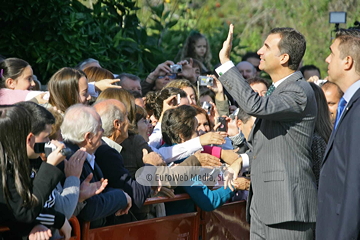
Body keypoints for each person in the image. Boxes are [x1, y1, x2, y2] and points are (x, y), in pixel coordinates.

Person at [217, 25, 317, 239]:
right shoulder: (280, 90)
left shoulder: (298, 90)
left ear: (284, 57)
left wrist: (226, 63)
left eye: (266, 46)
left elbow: (255, 106)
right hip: (263, 209)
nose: (259, 51)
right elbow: (275, 148)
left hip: (287, 211)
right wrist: (241, 160)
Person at [0, 105, 71, 239]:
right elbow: (23, 211)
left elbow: (16, 211)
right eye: (46, 137)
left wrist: (34, 225)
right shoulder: (3, 166)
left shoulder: (22, 160)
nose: (48, 142)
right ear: (30, 139)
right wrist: (50, 166)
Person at [316, 29, 360, 240]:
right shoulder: (350, 105)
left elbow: (355, 184)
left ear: (347, 62)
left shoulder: (358, 109)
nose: (327, 59)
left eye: (332, 53)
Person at [60, 104, 132, 228]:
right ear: (88, 137)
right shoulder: (72, 160)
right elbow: (89, 208)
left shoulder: (85, 154)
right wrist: (122, 197)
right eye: (100, 128)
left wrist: (119, 193)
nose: (103, 132)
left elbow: (98, 191)